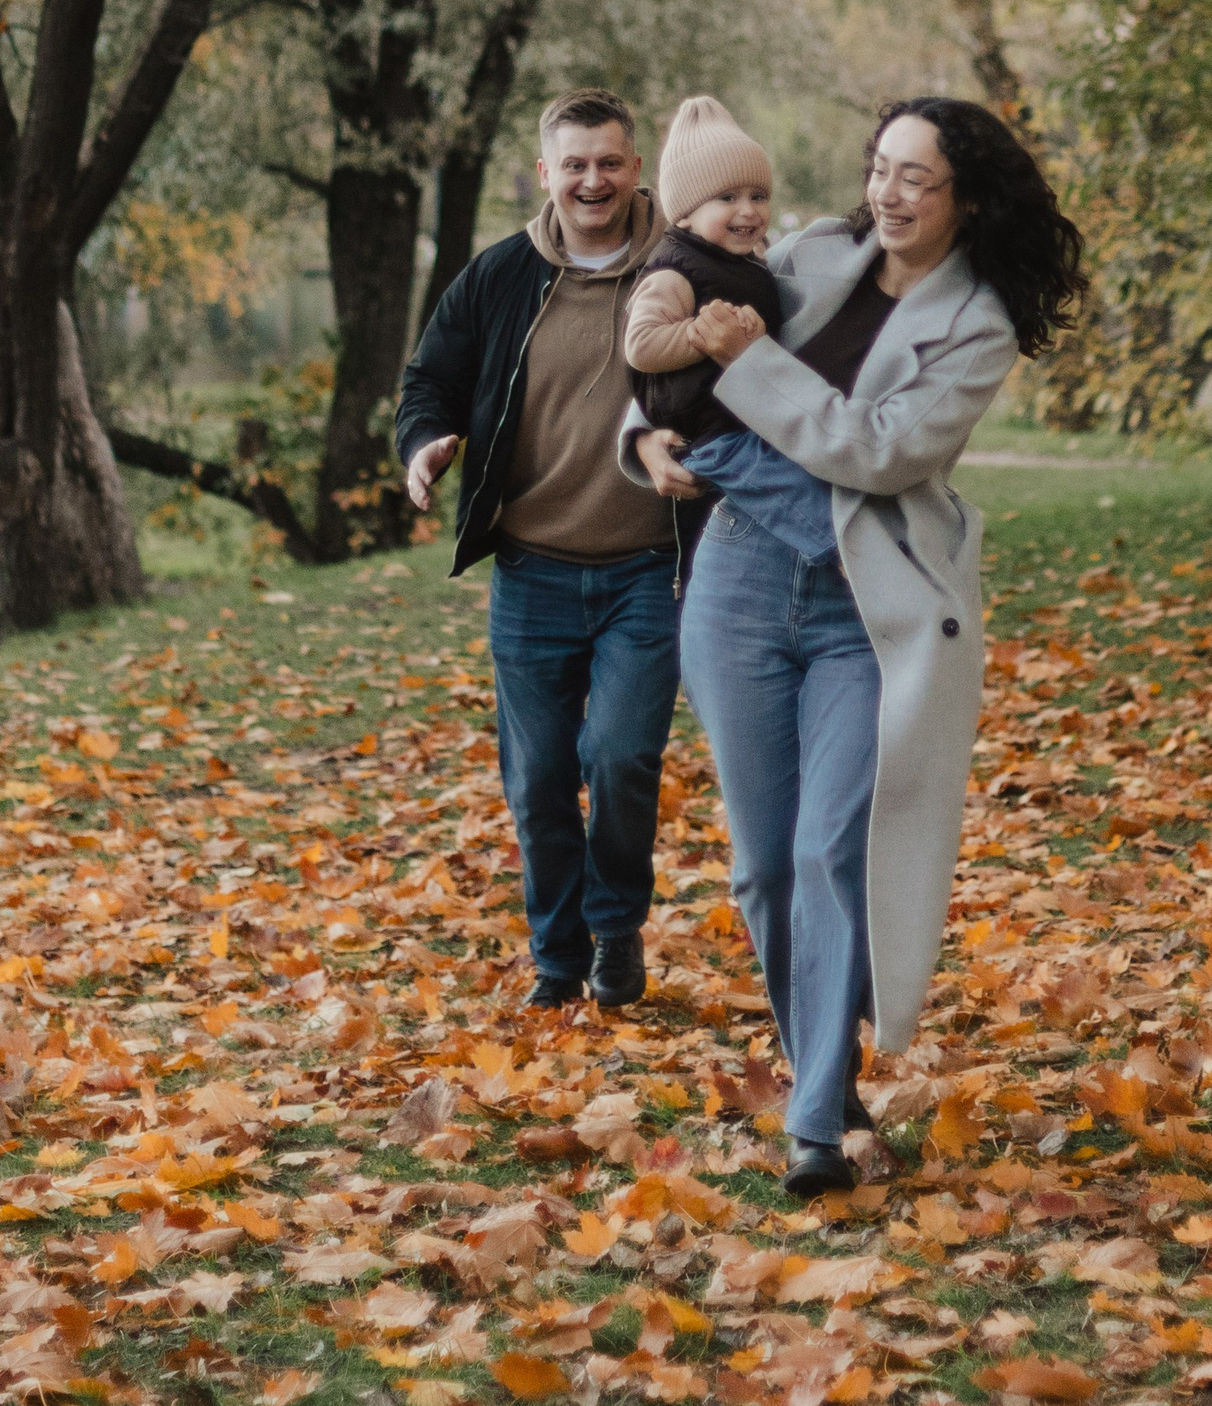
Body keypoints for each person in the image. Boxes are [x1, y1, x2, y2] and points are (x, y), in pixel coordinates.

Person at [630, 96, 1084, 1198]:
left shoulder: (975, 322)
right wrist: (640, 431)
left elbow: (879, 450)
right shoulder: (808, 253)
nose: (886, 192)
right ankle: (827, 1087)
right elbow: (671, 329)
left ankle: (814, 1124)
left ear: (966, 196)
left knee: (831, 849)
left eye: (914, 176)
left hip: (861, 602)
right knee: (761, 865)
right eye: (879, 167)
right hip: (737, 580)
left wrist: (750, 365)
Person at [394, 90, 677, 1010]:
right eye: (575, 164)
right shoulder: (500, 275)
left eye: (609, 162)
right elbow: (428, 381)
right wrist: (424, 445)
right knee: (540, 777)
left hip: (649, 570)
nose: (593, 180)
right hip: (533, 571)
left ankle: (616, 925)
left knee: (622, 756)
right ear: (546, 172)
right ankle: (559, 960)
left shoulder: (678, 266)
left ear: (635, 168)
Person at [623, 94, 786, 439]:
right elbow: (640, 343)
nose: (748, 210)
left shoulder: (746, 259)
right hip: (707, 433)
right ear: (685, 214)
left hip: (740, 421)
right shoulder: (674, 272)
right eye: (727, 198)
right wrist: (707, 333)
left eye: (758, 196)